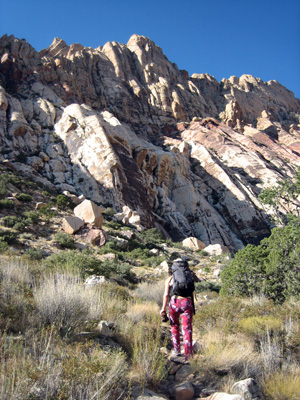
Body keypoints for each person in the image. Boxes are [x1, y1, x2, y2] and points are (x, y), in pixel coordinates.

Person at [160, 259, 199, 363]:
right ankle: (188, 356)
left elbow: (166, 295)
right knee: (187, 329)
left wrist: (163, 309)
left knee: (174, 326)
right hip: (187, 303)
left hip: (174, 303)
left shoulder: (169, 280)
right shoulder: (189, 278)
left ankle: (177, 350)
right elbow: (192, 294)